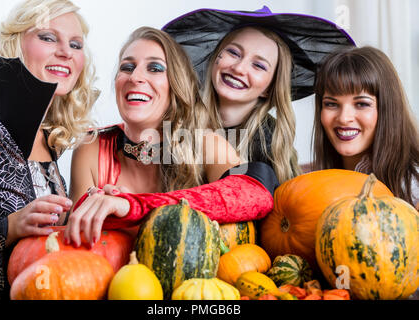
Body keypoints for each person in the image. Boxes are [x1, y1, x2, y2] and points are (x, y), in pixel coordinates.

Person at [65, 27, 279, 247]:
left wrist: (134, 207)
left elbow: (257, 193)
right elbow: (79, 247)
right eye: (127, 67)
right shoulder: (91, 147)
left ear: (176, 85)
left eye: (155, 68)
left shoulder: (204, 143)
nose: (135, 77)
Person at [0, 0, 98, 300]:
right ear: (15, 44)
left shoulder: (52, 139)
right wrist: (10, 227)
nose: (66, 51)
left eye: (76, 44)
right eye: (48, 37)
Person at [162, 6, 356, 184]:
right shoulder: (178, 120)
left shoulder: (269, 142)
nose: (238, 68)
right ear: (215, 59)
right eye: (233, 52)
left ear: (269, 87)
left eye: (259, 65)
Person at [312, 46, 418, 209]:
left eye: (361, 104)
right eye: (331, 104)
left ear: (387, 109)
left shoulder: (414, 189)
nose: (344, 118)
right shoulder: (309, 181)